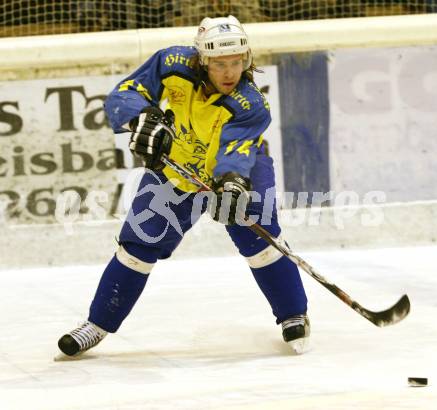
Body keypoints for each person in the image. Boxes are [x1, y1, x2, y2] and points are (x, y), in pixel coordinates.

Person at [57, 15, 310, 357]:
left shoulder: (252, 106)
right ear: (202, 60)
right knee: (138, 245)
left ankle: (293, 314)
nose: (229, 73)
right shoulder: (171, 62)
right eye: (220, 64)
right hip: (177, 166)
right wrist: (143, 118)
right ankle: (97, 324)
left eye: (237, 62)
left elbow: (236, 150)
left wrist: (233, 183)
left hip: (242, 167)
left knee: (259, 238)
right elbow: (127, 92)